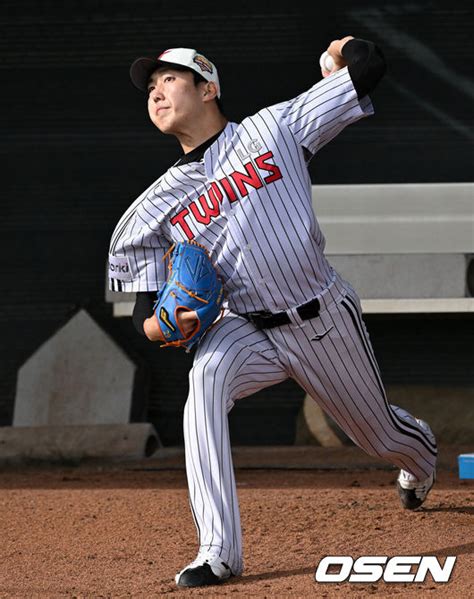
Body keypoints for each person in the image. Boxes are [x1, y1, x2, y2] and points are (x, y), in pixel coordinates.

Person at [108, 40, 437, 588]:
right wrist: (166, 325)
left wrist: (345, 48)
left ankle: (420, 456)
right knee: (206, 379)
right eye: (150, 86)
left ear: (208, 89)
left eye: (170, 79)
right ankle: (218, 551)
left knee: (379, 438)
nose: (157, 91)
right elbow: (143, 312)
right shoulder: (151, 210)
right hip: (247, 328)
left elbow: (369, 67)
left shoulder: (274, 129)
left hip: (321, 317)